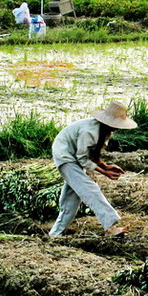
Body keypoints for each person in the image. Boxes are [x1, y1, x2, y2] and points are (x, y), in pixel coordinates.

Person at [49, 101, 137, 238]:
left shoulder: (105, 131)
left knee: (72, 198)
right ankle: (110, 227)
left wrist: (105, 166)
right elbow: (82, 159)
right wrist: (105, 172)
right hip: (65, 156)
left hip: (73, 157)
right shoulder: (89, 131)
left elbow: (93, 155)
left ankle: (55, 234)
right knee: (90, 189)